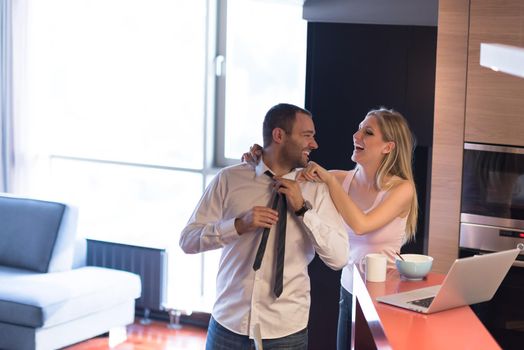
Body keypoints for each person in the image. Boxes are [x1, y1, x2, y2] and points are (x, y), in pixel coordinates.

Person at [244, 107, 418, 350]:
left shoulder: (402, 189)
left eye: (367, 133)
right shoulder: (339, 179)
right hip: (348, 290)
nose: (356, 136)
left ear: (388, 147)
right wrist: (261, 158)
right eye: (358, 129)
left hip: (385, 297)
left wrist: (326, 179)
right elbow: (282, 175)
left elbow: (361, 225)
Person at [179, 103, 349, 350]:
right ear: (279, 135)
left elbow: (339, 257)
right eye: (307, 136)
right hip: (229, 323)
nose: (314, 144)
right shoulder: (230, 179)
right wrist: (237, 225)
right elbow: (188, 240)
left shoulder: (316, 189)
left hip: (286, 331)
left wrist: (303, 209)